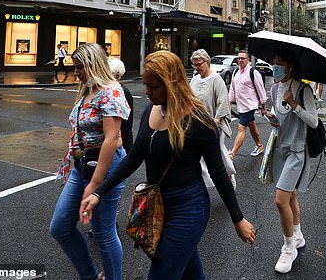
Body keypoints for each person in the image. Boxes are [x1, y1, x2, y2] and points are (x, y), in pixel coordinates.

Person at [79, 50, 256, 279]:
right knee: (191, 274)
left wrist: (237, 218)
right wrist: (99, 192)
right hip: (158, 207)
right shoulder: (151, 109)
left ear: (171, 83)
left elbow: (218, 172)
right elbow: (134, 158)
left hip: (188, 208)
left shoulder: (199, 121)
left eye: (153, 86)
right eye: (145, 84)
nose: (147, 92)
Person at [50, 43, 130, 280]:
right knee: (61, 228)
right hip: (81, 167)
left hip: (106, 167)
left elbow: (112, 139)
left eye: (79, 68)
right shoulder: (87, 90)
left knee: (103, 232)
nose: (76, 73)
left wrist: (94, 185)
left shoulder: (111, 91)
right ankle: (91, 276)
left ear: (92, 64)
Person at [268, 48, 319, 273]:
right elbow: (278, 115)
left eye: (278, 64)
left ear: (289, 67)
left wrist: (294, 105)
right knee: (291, 196)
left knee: (280, 200)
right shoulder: (274, 88)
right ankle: (297, 235)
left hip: (297, 151)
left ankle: (289, 248)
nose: (274, 68)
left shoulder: (302, 89)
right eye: (273, 64)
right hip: (280, 148)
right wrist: (272, 118)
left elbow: (314, 122)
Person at [189, 49, 237, 188]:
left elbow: (223, 102)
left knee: (218, 153)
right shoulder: (195, 79)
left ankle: (228, 175)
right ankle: (203, 184)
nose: (197, 67)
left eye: (199, 64)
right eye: (194, 65)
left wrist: (216, 121)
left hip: (214, 124)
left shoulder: (216, 79)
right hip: (197, 123)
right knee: (202, 156)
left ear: (207, 62)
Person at [228, 50, 267, 159]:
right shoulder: (235, 72)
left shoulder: (253, 72)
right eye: (239, 58)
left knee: (241, 128)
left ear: (248, 60)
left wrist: (263, 106)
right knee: (252, 124)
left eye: (243, 58)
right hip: (241, 105)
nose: (240, 60)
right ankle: (259, 145)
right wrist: (229, 102)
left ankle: (232, 153)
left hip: (250, 106)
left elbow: (261, 90)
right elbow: (232, 88)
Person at [108, 58, 133, 152]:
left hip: (121, 144)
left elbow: (127, 122)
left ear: (117, 75)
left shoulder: (124, 92)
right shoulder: (107, 91)